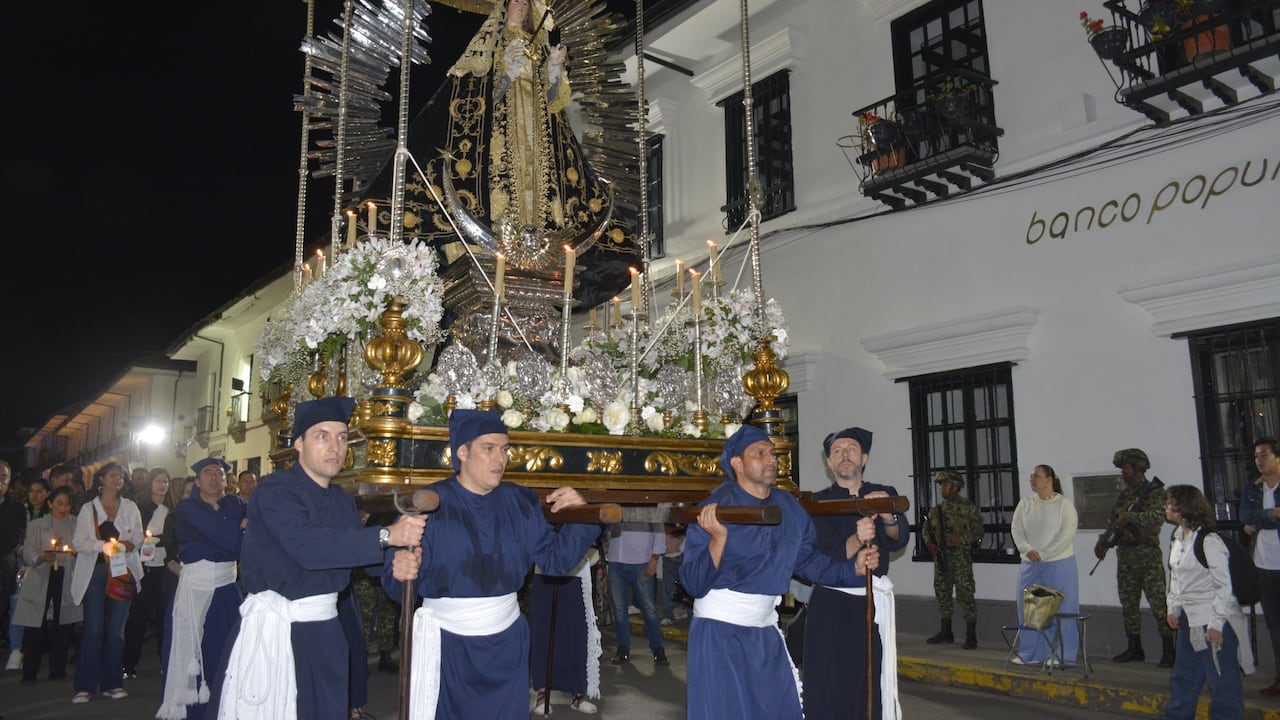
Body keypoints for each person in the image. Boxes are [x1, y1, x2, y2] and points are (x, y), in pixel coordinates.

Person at [211, 397, 424, 720]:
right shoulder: (275, 490)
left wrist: (399, 562)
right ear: (299, 443)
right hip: (279, 631)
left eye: (341, 437)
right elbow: (310, 548)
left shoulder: (340, 499)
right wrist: (386, 537)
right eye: (322, 436)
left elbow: (366, 560)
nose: (335, 447)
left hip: (326, 633)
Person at [384, 408, 600, 720]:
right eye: (488, 448)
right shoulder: (429, 503)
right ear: (462, 452)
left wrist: (582, 515)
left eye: (505, 449)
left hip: (506, 643)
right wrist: (400, 569)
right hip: (448, 647)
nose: (500, 458)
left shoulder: (521, 502)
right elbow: (399, 580)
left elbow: (554, 561)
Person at [680, 424, 881, 720]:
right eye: (759, 453)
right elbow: (693, 583)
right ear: (737, 463)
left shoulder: (789, 507)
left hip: (765, 633)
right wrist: (718, 539)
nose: (770, 459)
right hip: (719, 636)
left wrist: (853, 568)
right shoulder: (715, 508)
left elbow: (809, 562)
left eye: (772, 453)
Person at [802, 427, 909, 720]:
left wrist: (888, 516)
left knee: (868, 681)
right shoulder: (817, 503)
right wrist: (857, 540)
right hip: (831, 604)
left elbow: (897, 539)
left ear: (864, 458)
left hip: (870, 602)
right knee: (828, 682)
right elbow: (819, 553)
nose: (844, 455)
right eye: (837, 451)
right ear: (829, 463)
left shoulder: (882, 494)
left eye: (850, 449)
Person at [157, 458, 246, 720]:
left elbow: (240, 542)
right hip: (195, 590)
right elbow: (230, 541)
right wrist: (237, 530)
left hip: (227, 589)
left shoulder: (236, 504)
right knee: (190, 654)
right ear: (197, 481)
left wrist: (232, 536)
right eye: (208, 473)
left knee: (227, 652)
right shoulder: (187, 508)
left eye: (219, 473)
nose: (214, 478)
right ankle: (191, 712)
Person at [1163, 484, 1254, 720]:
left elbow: (1223, 586)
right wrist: (1173, 606)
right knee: (1184, 677)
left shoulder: (1209, 540)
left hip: (1212, 620)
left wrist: (1216, 623)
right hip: (1189, 620)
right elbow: (1176, 575)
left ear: (1183, 507)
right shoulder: (1177, 536)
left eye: (1170, 502)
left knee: (1223, 681)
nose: (1165, 507)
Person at [70, 461, 143, 703]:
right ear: (101, 479)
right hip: (96, 572)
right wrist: (103, 546)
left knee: (116, 631)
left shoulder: (131, 507)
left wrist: (131, 544)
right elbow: (79, 542)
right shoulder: (88, 509)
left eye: (121, 476)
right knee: (93, 630)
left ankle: (113, 682)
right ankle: (86, 685)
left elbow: (139, 537)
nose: (117, 480)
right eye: (112, 475)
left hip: (122, 573)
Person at [1095, 448, 1174, 666]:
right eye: (1122, 468)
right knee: (1129, 603)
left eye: (1127, 467)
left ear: (1138, 468)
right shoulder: (1125, 495)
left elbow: (1158, 517)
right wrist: (1103, 541)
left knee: (1159, 604)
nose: (1123, 472)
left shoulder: (1156, 492)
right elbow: (1114, 521)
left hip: (1147, 554)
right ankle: (1134, 647)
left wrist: (1129, 517)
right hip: (1126, 555)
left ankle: (1169, 651)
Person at [1009, 464, 1080, 666]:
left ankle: (1063, 655)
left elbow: (1065, 535)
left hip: (1059, 563)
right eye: (1031, 476)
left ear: (1049, 480)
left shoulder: (1064, 505)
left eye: (1037, 476)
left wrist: (1044, 553)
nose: (1032, 479)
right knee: (1030, 608)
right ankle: (1031, 653)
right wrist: (1027, 550)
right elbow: (1017, 529)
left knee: (1063, 608)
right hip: (1030, 563)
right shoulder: (1025, 504)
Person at [14, 486, 81, 683]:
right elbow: (27, 554)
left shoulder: (75, 524)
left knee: (63, 623)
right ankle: (29, 671)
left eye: (67, 504)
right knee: (35, 625)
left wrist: (75, 553)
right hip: (42, 575)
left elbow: (81, 548)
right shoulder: (36, 525)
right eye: (59, 503)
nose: (63, 508)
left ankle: (58, 668)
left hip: (65, 574)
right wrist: (40, 557)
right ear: (50, 504)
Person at [529, 546, 602, 715]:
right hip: (545, 571)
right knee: (543, 633)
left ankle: (578, 694)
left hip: (576, 574)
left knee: (577, 634)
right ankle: (542, 693)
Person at [921, 470, 983, 649]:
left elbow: (978, 532)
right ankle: (946, 631)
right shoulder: (937, 510)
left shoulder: (968, 508)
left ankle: (971, 635)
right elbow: (926, 529)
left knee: (965, 594)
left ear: (956, 486)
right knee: (942, 592)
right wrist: (929, 544)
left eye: (945, 484)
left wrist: (960, 540)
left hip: (960, 557)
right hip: (941, 557)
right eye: (941, 485)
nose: (942, 488)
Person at [1240, 436, 1280, 697]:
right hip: (1264, 567)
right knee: (1275, 625)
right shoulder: (1253, 490)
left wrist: (1257, 523)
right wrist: (1270, 514)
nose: (1259, 460)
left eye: (1264, 454)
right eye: (1256, 456)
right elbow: (1244, 517)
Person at [123, 466, 172, 678]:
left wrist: (163, 541)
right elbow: (132, 535)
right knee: (137, 618)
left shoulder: (172, 511)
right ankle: (129, 664)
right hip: (142, 568)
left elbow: (175, 538)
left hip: (164, 568)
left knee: (164, 618)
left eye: (166, 481)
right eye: (159, 480)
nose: (163, 485)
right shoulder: (140, 509)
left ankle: (166, 663)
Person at [604, 521, 668, 666]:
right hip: (616, 560)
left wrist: (655, 558)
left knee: (649, 608)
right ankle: (623, 649)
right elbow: (608, 526)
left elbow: (659, 529)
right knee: (619, 610)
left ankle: (658, 649)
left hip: (640, 560)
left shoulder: (647, 503)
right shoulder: (616, 503)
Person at [0, 460, 26, 671]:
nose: (0, 481)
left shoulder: (16, 507)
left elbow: (15, 536)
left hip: (4, 569)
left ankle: (15, 651)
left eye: (4, 477)